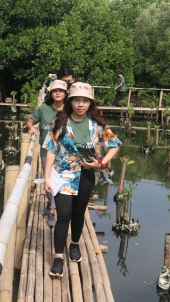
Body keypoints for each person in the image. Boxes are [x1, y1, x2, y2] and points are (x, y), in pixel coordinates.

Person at [44, 83, 121, 276]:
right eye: (77, 100)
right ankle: (58, 258)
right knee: (63, 216)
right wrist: (46, 178)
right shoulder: (60, 123)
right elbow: (51, 150)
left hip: (87, 174)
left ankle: (75, 245)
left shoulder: (97, 124)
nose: (80, 104)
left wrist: (101, 163)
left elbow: (114, 145)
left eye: (85, 100)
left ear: (90, 103)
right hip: (63, 175)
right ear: (70, 101)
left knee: (79, 214)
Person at [28, 80, 69, 226]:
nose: (58, 93)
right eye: (55, 90)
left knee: (62, 179)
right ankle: (50, 201)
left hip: (65, 152)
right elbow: (31, 120)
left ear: (65, 93)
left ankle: (52, 210)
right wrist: (32, 128)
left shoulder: (70, 110)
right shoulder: (44, 108)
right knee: (49, 179)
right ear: (51, 93)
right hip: (46, 150)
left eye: (61, 90)